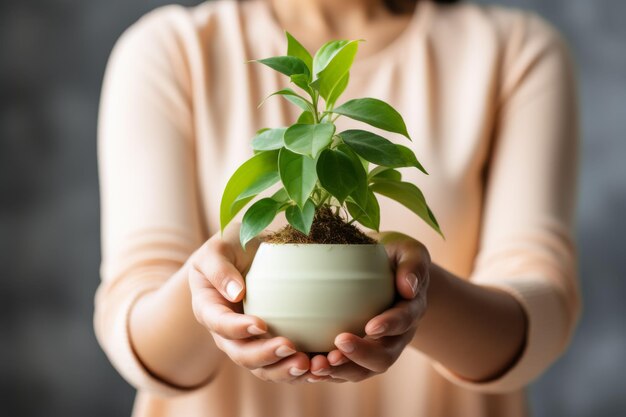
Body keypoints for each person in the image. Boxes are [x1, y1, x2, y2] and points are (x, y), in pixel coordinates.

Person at [94, 0, 581, 415]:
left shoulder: (514, 51)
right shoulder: (172, 49)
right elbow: (137, 325)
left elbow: (541, 309)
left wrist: (417, 297)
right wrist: (209, 293)